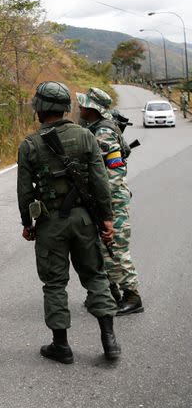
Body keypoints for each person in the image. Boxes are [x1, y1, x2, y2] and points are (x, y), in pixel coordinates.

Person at [17, 81, 121, 364]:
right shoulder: (86, 137)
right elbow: (101, 182)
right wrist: (107, 219)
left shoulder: (29, 144)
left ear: (39, 108)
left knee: (54, 284)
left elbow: (25, 191)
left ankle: (61, 346)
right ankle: (109, 341)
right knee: (96, 277)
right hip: (85, 220)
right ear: (65, 108)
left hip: (51, 224)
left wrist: (28, 223)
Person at [77, 88, 143, 315]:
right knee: (102, 249)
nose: (80, 107)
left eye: (83, 104)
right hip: (104, 200)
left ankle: (133, 297)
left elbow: (114, 175)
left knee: (115, 249)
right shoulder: (94, 128)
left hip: (113, 201)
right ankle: (110, 292)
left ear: (92, 109)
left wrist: (109, 209)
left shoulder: (103, 134)